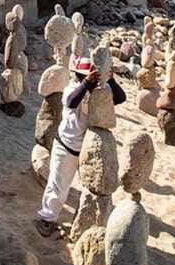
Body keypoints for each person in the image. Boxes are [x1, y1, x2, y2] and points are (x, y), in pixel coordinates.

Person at [35, 57, 125, 237]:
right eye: (86, 77)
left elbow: (121, 98)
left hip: (88, 146)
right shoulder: (72, 88)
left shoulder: (100, 91)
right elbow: (71, 101)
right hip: (67, 146)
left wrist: (111, 80)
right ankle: (47, 218)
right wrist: (86, 84)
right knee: (58, 186)